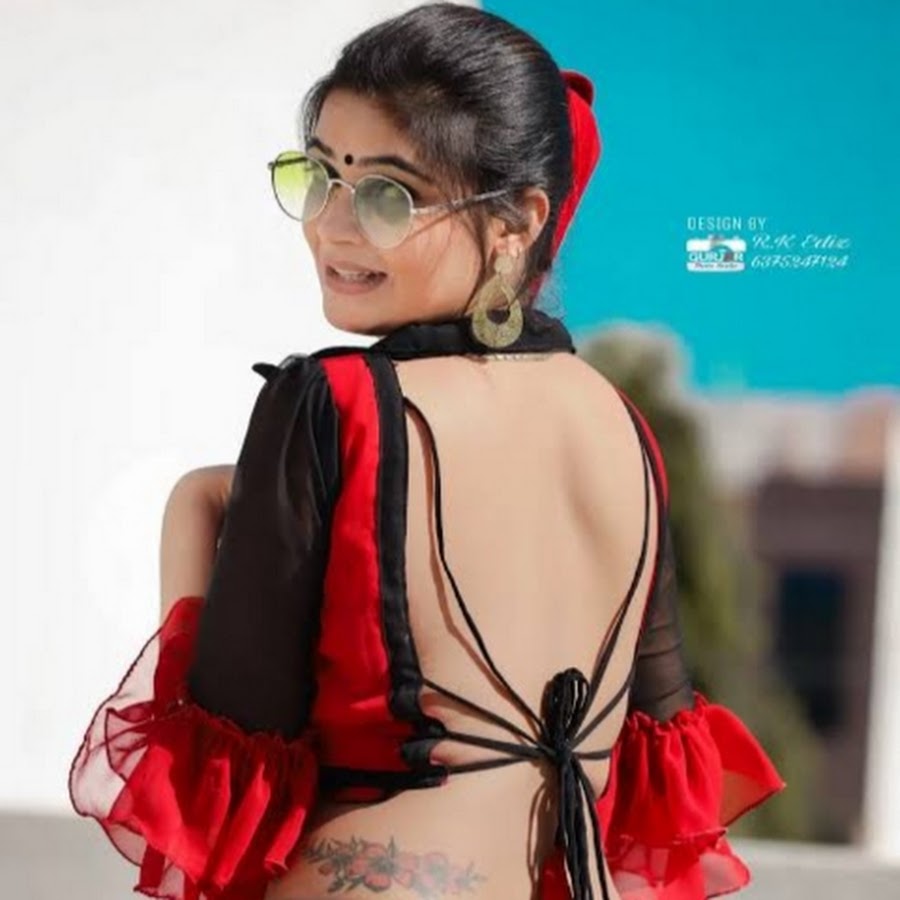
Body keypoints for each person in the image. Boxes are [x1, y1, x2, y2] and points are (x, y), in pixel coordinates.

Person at [67, 4, 786, 899]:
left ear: (518, 221)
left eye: (387, 195)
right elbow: (657, 788)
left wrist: (193, 512)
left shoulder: (335, 405)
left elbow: (222, 774)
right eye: (319, 176)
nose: (331, 227)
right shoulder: (623, 428)